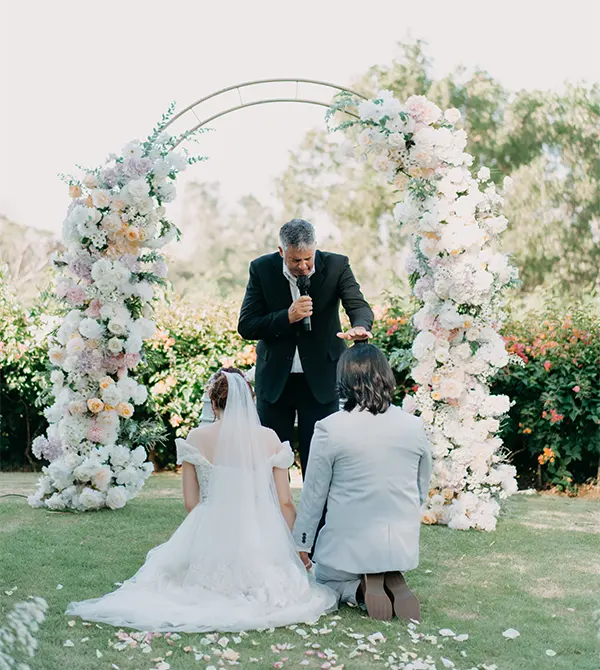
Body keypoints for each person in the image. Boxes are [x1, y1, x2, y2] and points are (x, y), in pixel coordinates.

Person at [66, 369, 336, 632]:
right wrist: (295, 547)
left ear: (214, 404)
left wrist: (204, 535)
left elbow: (191, 503)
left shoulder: (196, 437)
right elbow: (286, 502)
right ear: (249, 401)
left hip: (212, 529)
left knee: (177, 582)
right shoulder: (269, 438)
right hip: (258, 532)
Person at [293, 344, 432, 621]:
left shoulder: (330, 427)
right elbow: (421, 486)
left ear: (344, 380)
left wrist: (302, 544)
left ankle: (358, 587)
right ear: (386, 377)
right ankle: (388, 570)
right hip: (399, 541)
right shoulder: (414, 426)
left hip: (349, 545)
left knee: (322, 577)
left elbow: (313, 495)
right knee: (382, 541)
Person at [238, 219, 374, 475]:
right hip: (275, 383)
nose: (303, 266)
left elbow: (358, 305)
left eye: (308, 259)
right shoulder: (261, 269)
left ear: (315, 248)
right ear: (281, 252)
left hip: (322, 381)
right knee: (271, 462)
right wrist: (286, 317)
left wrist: (360, 326)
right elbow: (246, 325)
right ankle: (276, 515)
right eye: (295, 260)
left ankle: (320, 517)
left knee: (320, 462)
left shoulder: (337, 265)